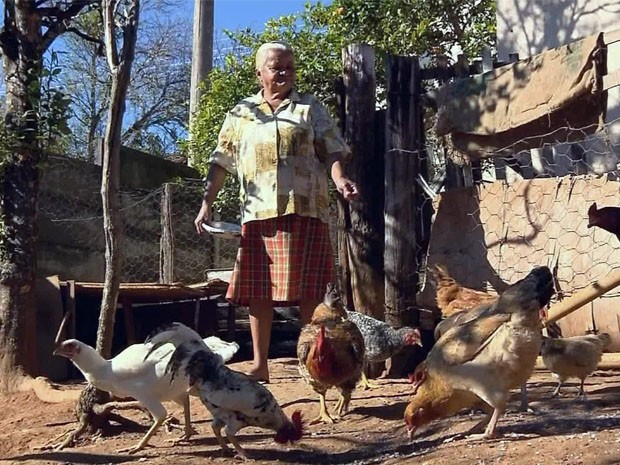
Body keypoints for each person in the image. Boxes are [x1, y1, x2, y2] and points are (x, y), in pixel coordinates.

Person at [194, 41, 359, 383]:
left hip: (306, 208)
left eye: (289, 67)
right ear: (259, 73)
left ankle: (314, 361)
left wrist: (341, 180)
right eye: (275, 67)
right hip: (259, 213)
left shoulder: (309, 108)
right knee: (260, 291)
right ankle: (260, 364)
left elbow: (333, 151)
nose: (284, 72)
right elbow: (220, 161)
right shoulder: (241, 114)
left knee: (311, 290)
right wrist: (207, 201)